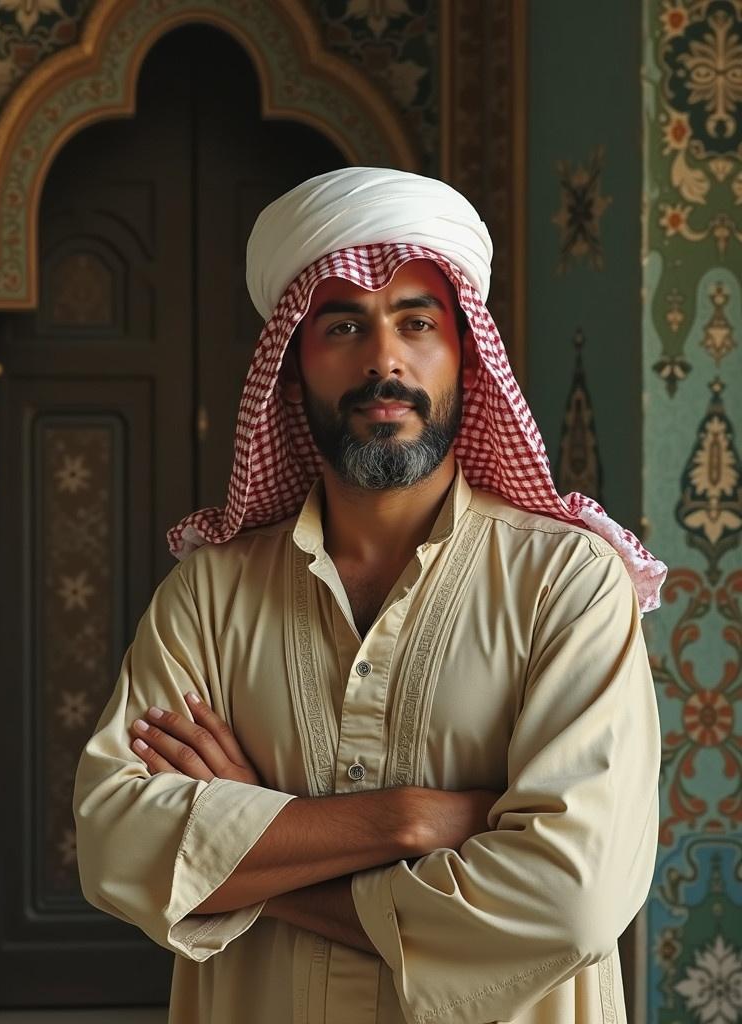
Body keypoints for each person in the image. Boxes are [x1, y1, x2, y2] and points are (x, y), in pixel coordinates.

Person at [73, 167, 666, 1024]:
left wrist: (255, 866)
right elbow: (117, 841)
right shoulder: (210, 592)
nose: (384, 358)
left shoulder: (566, 584)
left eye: (417, 323)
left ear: (466, 355)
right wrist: (409, 820)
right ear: (289, 366)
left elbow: (567, 901)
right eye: (343, 324)